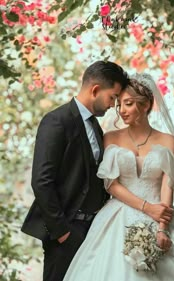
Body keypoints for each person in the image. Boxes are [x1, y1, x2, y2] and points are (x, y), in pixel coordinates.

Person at [63, 74, 174, 281]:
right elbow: (111, 184)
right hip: (118, 215)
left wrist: (163, 228)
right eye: (119, 105)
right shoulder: (111, 137)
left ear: (145, 106)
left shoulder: (167, 140)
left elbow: (167, 184)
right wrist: (146, 207)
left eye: (127, 104)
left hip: (160, 212)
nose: (121, 111)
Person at [21, 60, 131, 281]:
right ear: (95, 90)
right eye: (112, 97)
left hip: (95, 230)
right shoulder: (56, 121)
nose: (113, 105)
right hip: (67, 231)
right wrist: (62, 233)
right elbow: (42, 181)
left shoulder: (96, 127)